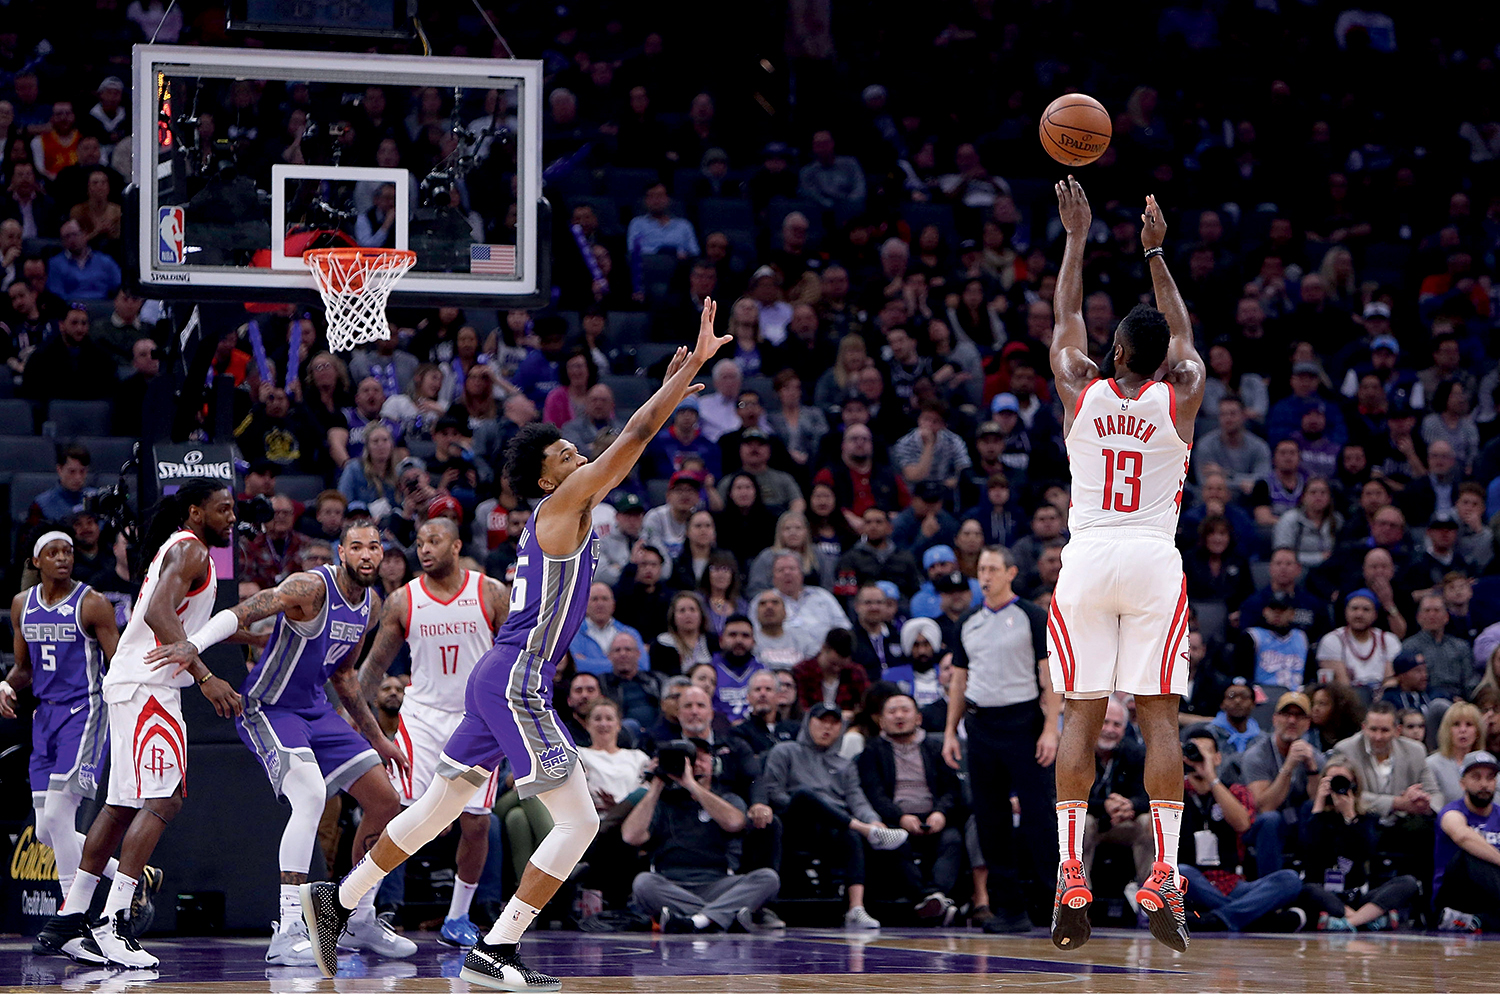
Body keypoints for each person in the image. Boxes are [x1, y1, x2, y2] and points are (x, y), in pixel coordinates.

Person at [302, 301, 732, 989]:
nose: (576, 452)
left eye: (571, 447)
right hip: (515, 681)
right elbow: (638, 431)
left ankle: (340, 898)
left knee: (437, 810)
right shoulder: (565, 504)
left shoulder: (561, 509)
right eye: (564, 454)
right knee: (580, 820)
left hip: (496, 677)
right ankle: (495, 949)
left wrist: (675, 382)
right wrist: (685, 375)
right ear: (546, 479)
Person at [1043, 181, 1204, 953]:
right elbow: (1185, 334)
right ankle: (1164, 873)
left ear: (1113, 354)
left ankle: (1073, 869)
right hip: (1150, 557)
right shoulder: (1183, 392)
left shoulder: (1079, 384)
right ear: (1166, 357)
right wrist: (1154, 251)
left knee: (1080, 710)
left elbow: (1065, 316)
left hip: (1088, 555)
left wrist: (1077, 238)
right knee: (1157, 716)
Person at [145, 517, 413, 965]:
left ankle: (358, 917)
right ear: (340, 553)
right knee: (309, 795)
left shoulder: (370, 605)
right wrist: (195, 644)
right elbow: (243, 612)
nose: (367, 554)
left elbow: (344, 675)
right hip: (269, 708)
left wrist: (376, 738)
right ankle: (287, 929)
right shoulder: (311, 587)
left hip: (316, 710)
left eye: (374, 547)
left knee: (386, 802)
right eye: (357, 547)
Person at [50, 480, 242, 968]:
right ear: (196, 512)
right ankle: (113, 922)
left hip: (132, 683)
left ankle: (71, 920)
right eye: (224, 509)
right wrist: (205, 676)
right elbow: (159, 613)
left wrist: (255, 633)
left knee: (118, 806)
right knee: (165, 798)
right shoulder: (192, 550)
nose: (233, 517)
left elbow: (182, 619)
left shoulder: (182, 550)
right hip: (150, 685)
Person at [351, 517, 507, 949]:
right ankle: (361, 911)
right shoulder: (402, 600)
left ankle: (458, 917)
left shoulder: (490, 592)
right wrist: (353, 718)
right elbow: (374, 668)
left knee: (476, 824)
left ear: (456, 546)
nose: (424, 549)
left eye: (433, 541)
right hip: (421, 719)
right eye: (419, 542)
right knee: (393, 814)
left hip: (476, 722)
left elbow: (518, 658)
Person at [4, 529, 123, 959]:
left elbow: (119, 660)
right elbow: (23, 669)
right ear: (37, 560)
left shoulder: (92, 603)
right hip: (45, 717)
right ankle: (133, 876)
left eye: (68, 552)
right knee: (46, 832)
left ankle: (74, 920)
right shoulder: (23, 605)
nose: (62, 559)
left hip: (85, 712)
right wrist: (5, 685)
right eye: (53, 552)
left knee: (58, 813)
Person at [942, 545, 1059, 935]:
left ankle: (1054, 904)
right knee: (990, 819)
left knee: (1040, 816)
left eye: (993, 568)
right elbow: (959, 680)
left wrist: (1050, 728)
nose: (986, 576)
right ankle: (1010, 908)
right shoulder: (968, 622)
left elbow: (1049, 676)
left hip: (1024, 721)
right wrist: (949, 732)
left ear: (1010, 572)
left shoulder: (1031, 615)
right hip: (980, 726)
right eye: (981, 569)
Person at [751, 704, 908, 929]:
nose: (827, 728)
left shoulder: (845, 765)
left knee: (849, 834)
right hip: (795, 821)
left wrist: (873, 819)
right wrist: (812, 806)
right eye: (821, 721)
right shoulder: (785, 751)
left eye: (834, 723)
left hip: (832, 826)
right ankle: (868, 832)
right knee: (805, 796)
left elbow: (857, 799)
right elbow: (774, 793)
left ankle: (856, 908)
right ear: (808, 722)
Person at [622, 738, 780, 932]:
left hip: (719, 885)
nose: (693, 763)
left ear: (714, 765)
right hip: (670, 884)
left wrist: (692, 785)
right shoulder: (661, 802)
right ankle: (719, 916)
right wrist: (657, 783)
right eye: (688, 758)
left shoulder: (727, 799)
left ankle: (694, 921)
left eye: (700, 758)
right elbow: (630, 836)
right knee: (643, 883)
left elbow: (734, 823)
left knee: (768, 878)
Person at [1177, 728, 1305, 932]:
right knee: (1178, 873)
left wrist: (1212, 778)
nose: (1200, 757)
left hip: (1232, 883)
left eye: (1206, 752)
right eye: (1194, 751)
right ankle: (1255, 919)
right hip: (1194, 882)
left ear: (1218, 758)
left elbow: (1242, 824)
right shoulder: (1174, 791)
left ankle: (1216, 918)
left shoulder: (1234, 790)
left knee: (1289, 879)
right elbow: (1153, 835)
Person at [857, 692, 965, 924]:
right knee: (895, 841)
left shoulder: (936, 747)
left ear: (918, 718)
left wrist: (940, 813)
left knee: (953, 840)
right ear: (881, 721)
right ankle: (927, 898)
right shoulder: (872, 750)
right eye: (892, 711)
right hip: (896, 819)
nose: (899, 716)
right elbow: (874, 793)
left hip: (934, 816)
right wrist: (900, 816)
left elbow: (951, 789)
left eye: (905, 710)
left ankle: (936, 896)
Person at [1301, 759, 1421, 931]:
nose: (1337, 786)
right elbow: (1307, 848)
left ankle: (1349, 922)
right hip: (1322, 893)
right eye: (1331, 780)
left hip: (1354, 894)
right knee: (1308, 890)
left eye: (1343, 781)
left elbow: (1367, 851)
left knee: (1408, 883)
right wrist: (1319, 803)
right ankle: (1368, 919)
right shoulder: (1312, 812)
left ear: (1354, 786)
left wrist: (1349, 816)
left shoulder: (1365, 817)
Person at [1239, 692, 1324, 875]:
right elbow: (1265, 806)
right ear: (1275, 719)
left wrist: (1312, 769)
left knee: (1313, 809)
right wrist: (1289, 766)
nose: (1292, 721)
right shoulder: (1256, 755)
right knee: (1271, 819)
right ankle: (1270, 887)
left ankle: (1313, 881)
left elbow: (1319, 803)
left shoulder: (1314, 756)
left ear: (1308, 723)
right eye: (1286, 715)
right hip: (1264, 828)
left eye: (1299, 716)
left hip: (1298, 825)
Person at [1081, 698, 1154, 892]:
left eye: (1117, 724)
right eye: (1104, 722)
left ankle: (1148, 897)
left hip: (1124, 822)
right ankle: (1079, 899)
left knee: (1150, 822)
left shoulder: (1135, 753)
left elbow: (1148, 794)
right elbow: (1067, 798)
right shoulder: (1077, 753)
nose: (1110, 730)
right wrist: (1104, 805)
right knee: (1082, 822)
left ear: (1124, 729)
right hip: (1093, 820)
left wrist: (1130, 805)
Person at [1432, 751, 1500, 928]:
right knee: (1470, 856)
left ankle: (1481, 921)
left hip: (1490, 897)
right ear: (1463, 783)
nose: (1484, 784)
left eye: (1490, 778)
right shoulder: (1451, 812)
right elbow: (1462, 836)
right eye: (1476, 777)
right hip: (1456, 895)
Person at [1424, 702, 1488, 810]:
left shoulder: (1488, 762)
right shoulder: (1431, 764)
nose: (1463, 730)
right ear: (1447, 730)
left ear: (1477, 731)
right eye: (1456, 724)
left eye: (1469, 724)